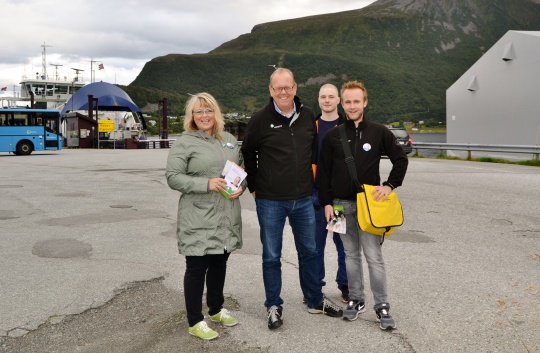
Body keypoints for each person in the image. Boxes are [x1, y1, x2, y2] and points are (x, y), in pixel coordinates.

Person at [241, 68, 343, 331]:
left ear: (296, 88)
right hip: (270, 200)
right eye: (278, 88)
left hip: (303, 199)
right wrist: (254, 185)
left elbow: (314, 154)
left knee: (309, 252)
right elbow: (248, 152)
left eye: (287, 87)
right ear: (270, 90)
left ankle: (315, 300)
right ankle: (273, 305)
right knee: (271, 256)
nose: (283, 92)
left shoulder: (308, 116)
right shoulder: (260, 119)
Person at [318, 80, 408, 330]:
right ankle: (356, 299)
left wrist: (389, 185)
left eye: (357, 101)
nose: (352, 105)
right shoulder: (333, 136)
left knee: (373, 257)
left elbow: (400, 159)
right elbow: (323, 172)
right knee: (349, 255)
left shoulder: (379, 132)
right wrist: (326, 202)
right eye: (347, 101)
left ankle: (382, 305)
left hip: (370, 206)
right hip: (338, 206)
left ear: (365, 102)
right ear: (342, 103)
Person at [166, 92, 245, 340]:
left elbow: (240, 169)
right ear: (192, 116)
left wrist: (241, 185)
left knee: (220, 262)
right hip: (198, 216)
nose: (204, 115)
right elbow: (173, 177)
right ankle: (195, 320)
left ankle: (216, 309)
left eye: (208, 110)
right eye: (198, 111)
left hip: (225, 215)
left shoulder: (229, 140)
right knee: (197, 267)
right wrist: (206, 183)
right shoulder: (185, 142)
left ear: (216, 114)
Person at [312, 83, 349, 303]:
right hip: (315, 195)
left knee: (342, 245)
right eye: (323, 97)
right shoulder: (311, 126)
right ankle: (315, 287)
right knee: (315, 246)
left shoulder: (346, 127)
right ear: (319, 100)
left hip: (337, 199)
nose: (327, 100)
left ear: (338, 100)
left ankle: (345, 285)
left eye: (331, 97)